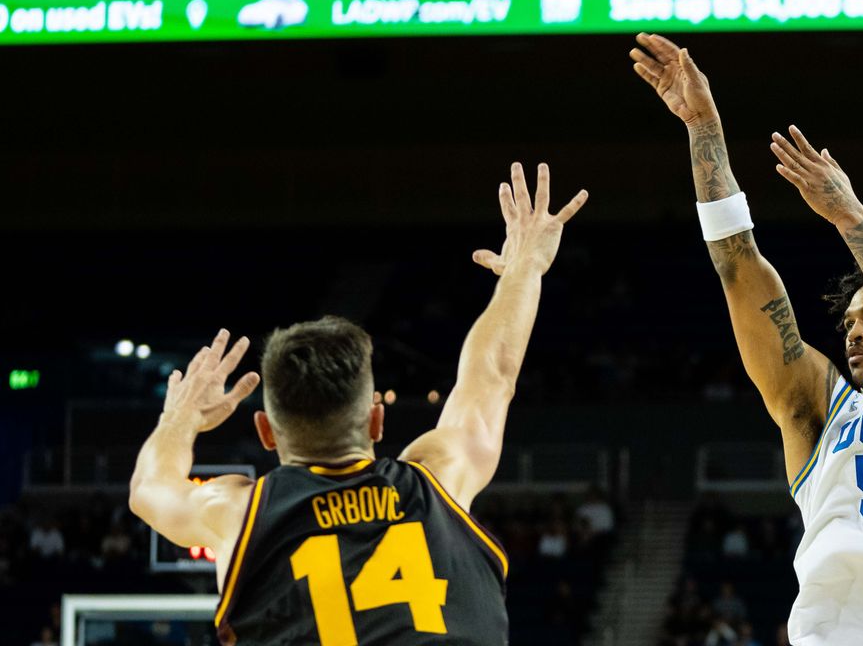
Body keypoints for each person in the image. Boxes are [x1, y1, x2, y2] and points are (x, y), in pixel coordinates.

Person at [631, 33, 863, 646]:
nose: (853, 332)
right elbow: (738, 265)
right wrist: (703, 125)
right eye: (848, 323)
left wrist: (849, 215)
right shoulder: (820, 408)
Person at [128, 163, 587, 646]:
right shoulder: (438, 481)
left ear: (266, 430)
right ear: (376, 419)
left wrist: (180, 419)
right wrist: (524, 270)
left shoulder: (237, 512)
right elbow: (492, 375)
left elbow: (148, 489)